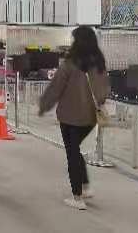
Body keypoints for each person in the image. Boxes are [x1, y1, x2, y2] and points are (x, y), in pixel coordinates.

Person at [39, 26, 109, 210]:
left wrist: (44, 105)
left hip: (69, 117)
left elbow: (56, 88)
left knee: (72, 154)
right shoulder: (99, 63)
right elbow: (103, 92)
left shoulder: (70, 63)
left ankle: (77, 198)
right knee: (75, 150)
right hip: (90, 118)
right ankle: (85, 186)